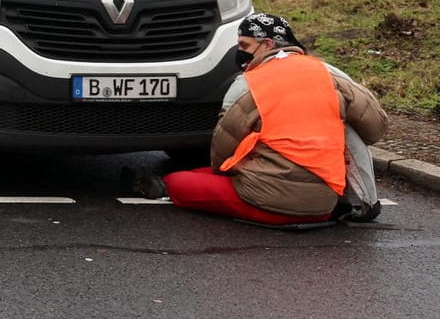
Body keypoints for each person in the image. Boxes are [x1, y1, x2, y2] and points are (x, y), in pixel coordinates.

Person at [127, 12, 388, 225]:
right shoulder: (328, 73)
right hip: (324, 203)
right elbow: (376, 128)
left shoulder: (249, 83)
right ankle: (362, 201)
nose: (239, 54)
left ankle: (163, 186)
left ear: (267, 45)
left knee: (182, 182)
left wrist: (227, 173)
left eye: (244, 46)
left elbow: (222, 149)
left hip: (270, 203)